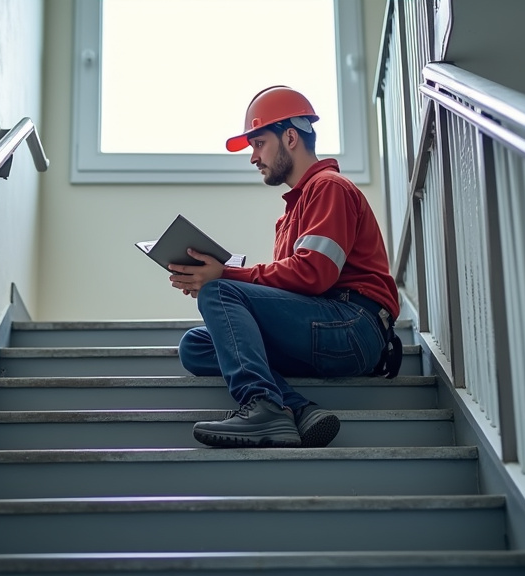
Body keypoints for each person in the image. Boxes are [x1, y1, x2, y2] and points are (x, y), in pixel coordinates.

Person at [167, 85, 400, 448]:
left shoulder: (329, 188)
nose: (253, 157)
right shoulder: (290, 215)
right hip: (325, 327)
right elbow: (289, 287)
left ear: (290, 137)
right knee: (196, 345)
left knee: (219, 291)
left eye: (259, 143)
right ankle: (298, 409)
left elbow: (313, 274)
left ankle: (261, 405)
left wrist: (223, 275)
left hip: (352, 327)